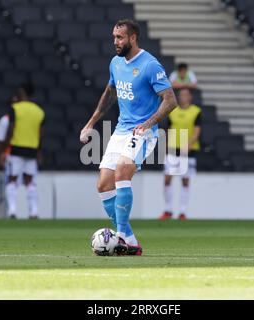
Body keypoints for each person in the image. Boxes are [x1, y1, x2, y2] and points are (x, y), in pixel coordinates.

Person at [80, 19, 177, 255]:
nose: (116, 41)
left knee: (123, 171)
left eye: (120, 37)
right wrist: (91, 123)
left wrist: (148, 123)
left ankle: (121, 236)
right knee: (104, 185)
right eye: (114, 37)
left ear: (133, 38)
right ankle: (131, 241)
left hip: (143, 131)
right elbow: (110, 92)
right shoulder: (115, 63)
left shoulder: (150, 65)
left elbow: (170, 100)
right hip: (121, 130)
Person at [1, 83, 45, 219]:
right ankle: (34, 212)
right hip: (32, 150)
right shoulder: (39, 111)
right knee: (30, 182)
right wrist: (39, 151)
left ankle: (12, 211)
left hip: (16, 149)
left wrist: (4, 149)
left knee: (12, 180)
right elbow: (40, 133)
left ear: (21, 93)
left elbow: (11, 129)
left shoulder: (15, 108)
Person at [159, 88, 202, 221]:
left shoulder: (196, 111)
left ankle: (183, 212)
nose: (183, 97)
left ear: (190, 97)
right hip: (172, 148)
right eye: (181, 95)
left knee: (185, 180)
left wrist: (188, 145)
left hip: (188, 150)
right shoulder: (173, 111)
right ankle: (168, 210)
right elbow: (169, 128)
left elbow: (197, 130)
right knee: (167, 179)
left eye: (185, 95)